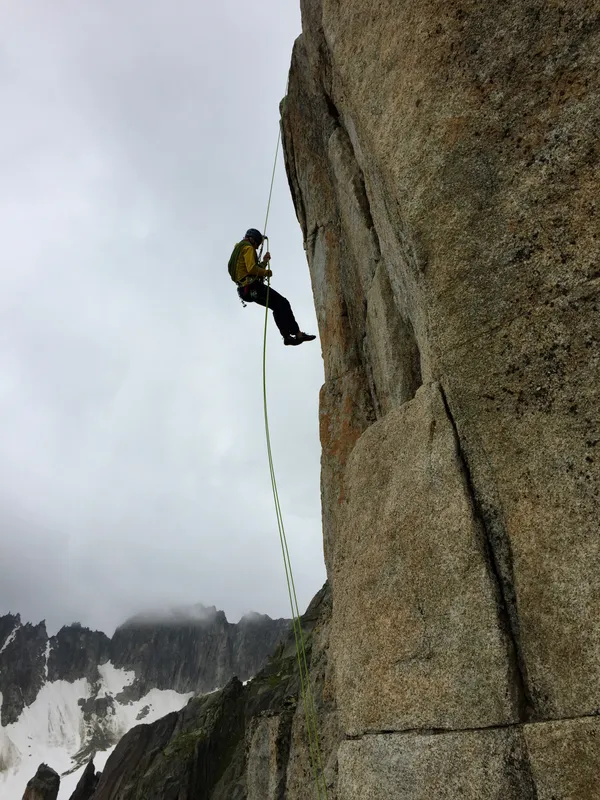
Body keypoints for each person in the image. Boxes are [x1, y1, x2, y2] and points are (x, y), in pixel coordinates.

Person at [229, 229, 316, 346]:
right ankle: (296, 334)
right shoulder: (248, 248)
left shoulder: (239, 249)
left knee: (277, 306)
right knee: (283, 303)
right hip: (252, 287)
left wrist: (264, 261)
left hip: (245, 291)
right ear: (253, 240)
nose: (256, 248)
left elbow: (247, 270)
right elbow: (252, 269)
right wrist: (266, 272)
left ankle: (288, 337)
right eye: (257, 245)